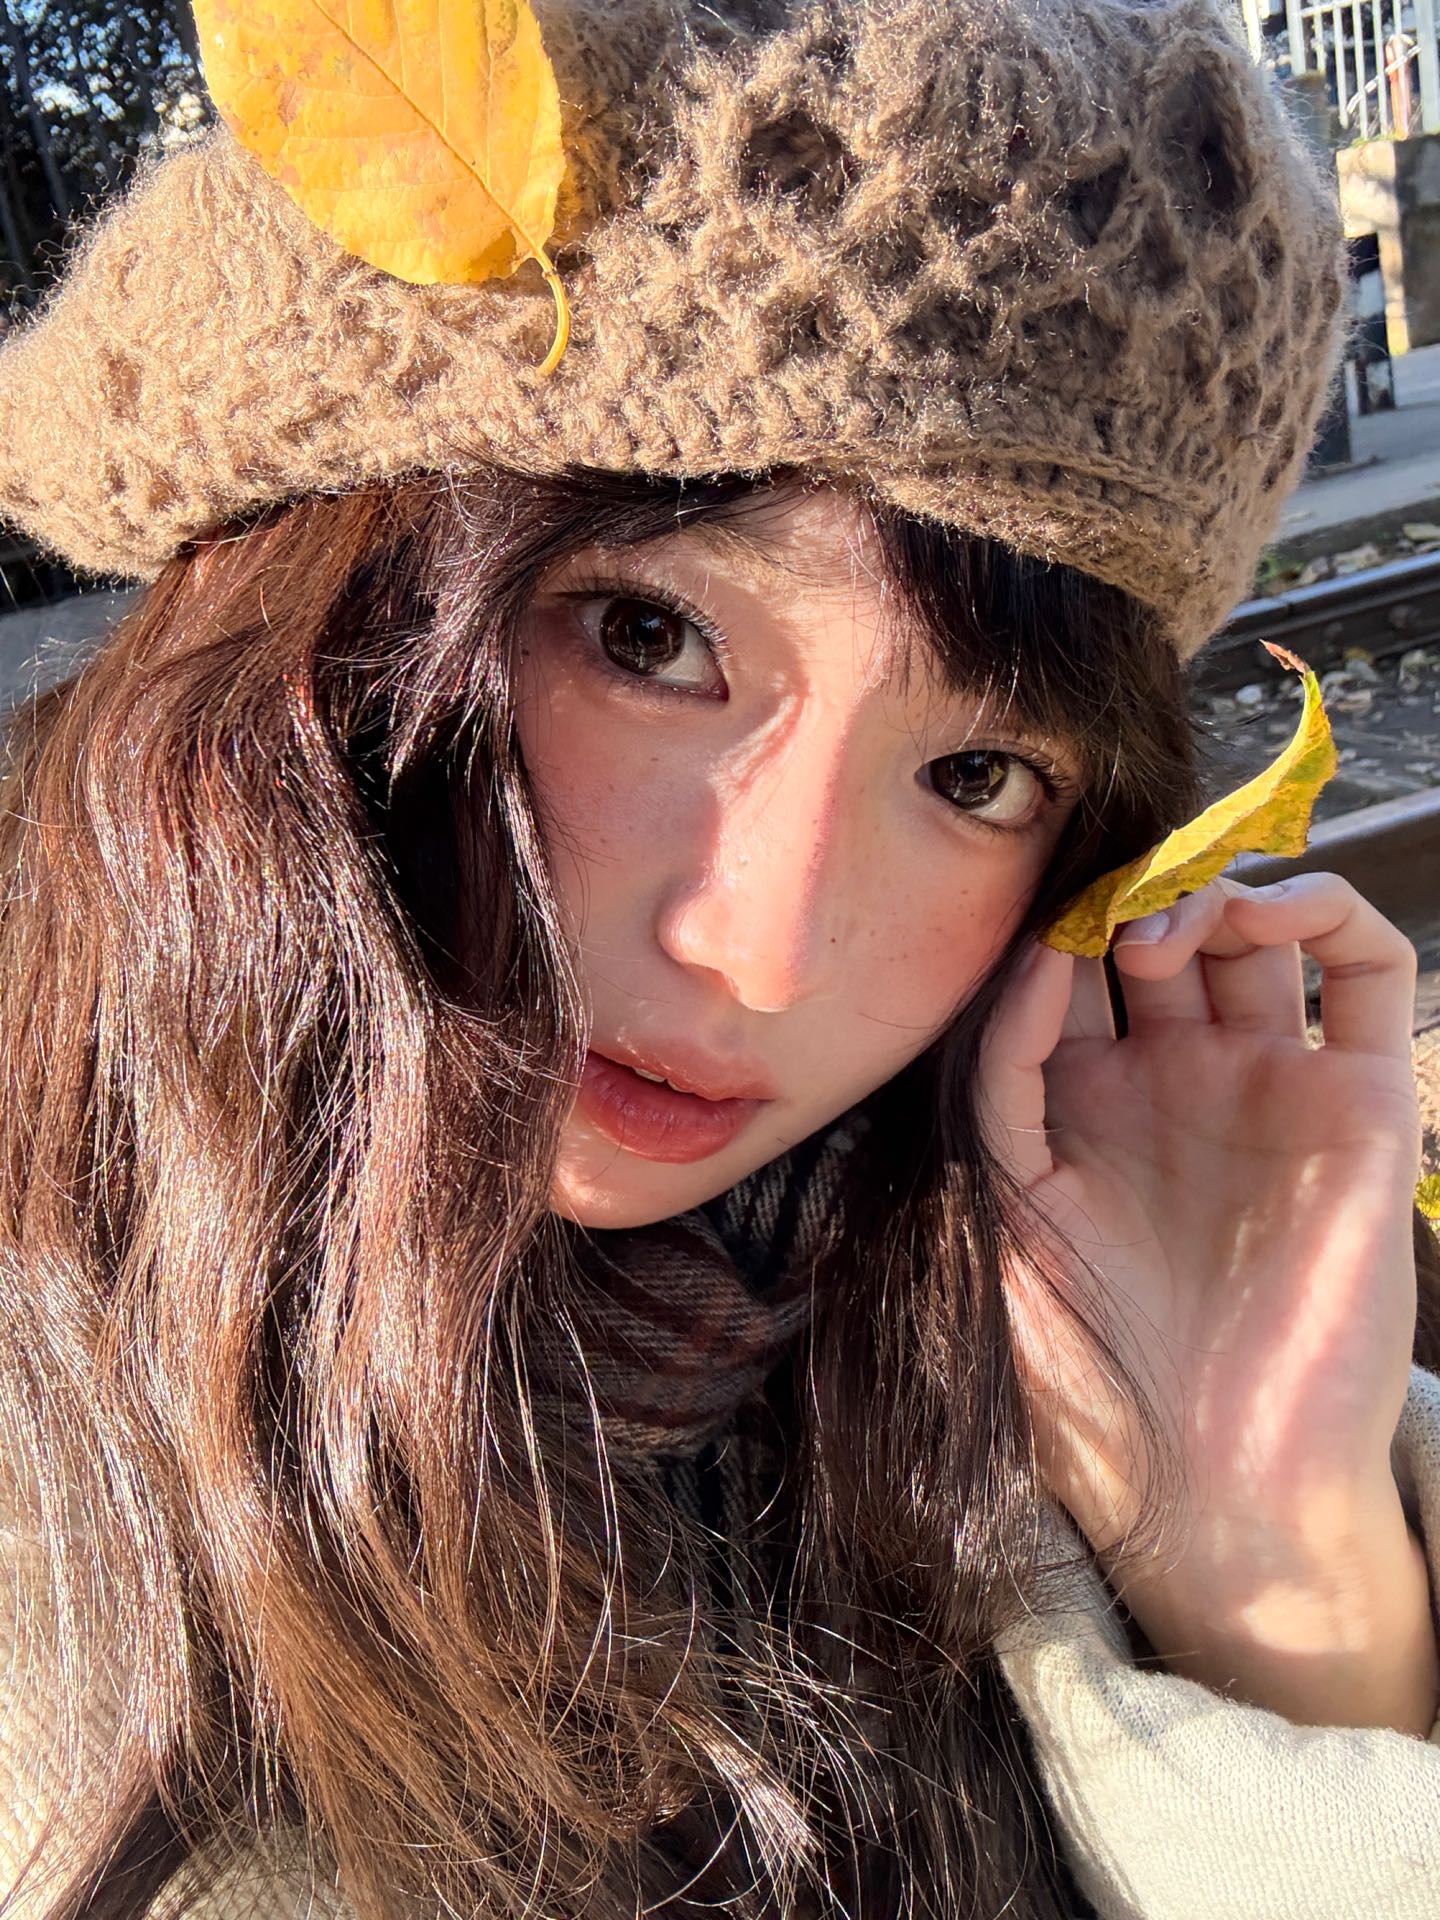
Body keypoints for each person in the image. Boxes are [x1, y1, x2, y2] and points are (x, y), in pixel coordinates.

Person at [0, 1, 1436, 1916]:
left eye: (977, 775)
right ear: (307, 625)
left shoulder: (1046, 1295)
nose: (763, 950)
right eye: (651, 640)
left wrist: (1260, 1536)